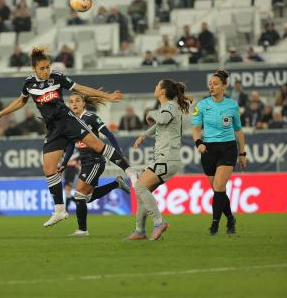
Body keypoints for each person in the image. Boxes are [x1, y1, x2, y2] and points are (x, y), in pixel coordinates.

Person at [0, 46, 138, 227]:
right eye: (42, 68)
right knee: (49, 169)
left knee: (98, 146)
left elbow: (80, 88)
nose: (46, 71)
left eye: (47, 67)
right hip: (53, 129)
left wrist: (107, 96)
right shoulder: (28, 84)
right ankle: (59, 210)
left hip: (68, 121)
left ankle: (130, 171)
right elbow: (21, 101)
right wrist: (0, 114)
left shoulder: (56, 77)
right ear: (34, 69)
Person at [126, 79, 192, 241]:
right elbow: (161, 124)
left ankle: (159, 222)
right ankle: (140, 231)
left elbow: (161, 119)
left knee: (140, 187)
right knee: (143, 191)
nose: (154, 87)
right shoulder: (168, 107)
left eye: (157, 85)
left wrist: (150, 113)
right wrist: (144, 134)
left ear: (162, 91)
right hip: (167, 158)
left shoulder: (169, 106)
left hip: (167, 158)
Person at [59, 92, 131, 236]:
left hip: (95, 161)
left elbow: (109, 135)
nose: (74, 104)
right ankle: (116, 184)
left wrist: (120, 155)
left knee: (79, 194)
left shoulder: (91, 117)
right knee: (87, 197)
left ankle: (82, 230)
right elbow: (71, 146)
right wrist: (64, 163)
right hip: (85, 162)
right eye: (71, 101)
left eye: (77, 101)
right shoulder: (71, 121)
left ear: (83, 103)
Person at [192, 69, 247, 236]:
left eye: (215, 84)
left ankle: (214, 225)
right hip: (208, 150)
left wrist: (242, 153)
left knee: (219, 186)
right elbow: (195, 129)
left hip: (227, 148)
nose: (212, 86)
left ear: (224, 86)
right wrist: (198, 143)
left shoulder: (232, 105)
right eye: (210, 84)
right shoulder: (201, 105)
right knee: (218, 191)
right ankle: (230, 218)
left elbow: (238, 130)